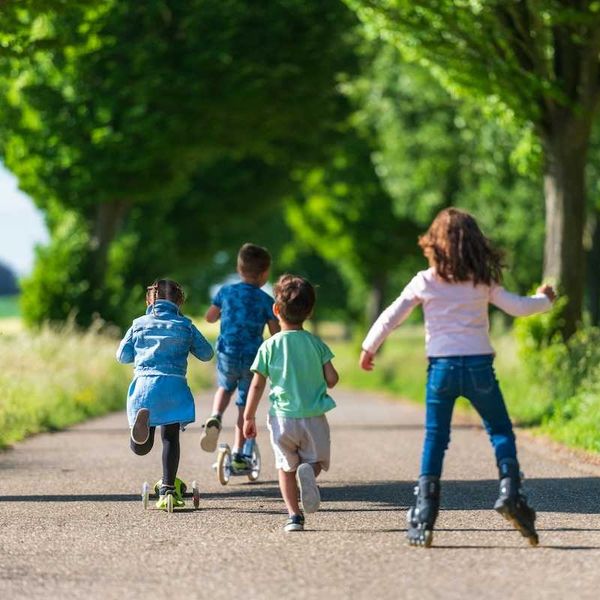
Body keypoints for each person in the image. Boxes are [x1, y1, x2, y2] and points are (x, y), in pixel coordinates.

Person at [360, 208, 556, 547]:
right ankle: (511, 490)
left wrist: (369, 347)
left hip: (442, 370)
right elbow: (519, 307)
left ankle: (425, 510)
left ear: (434, 243)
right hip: (479, 367)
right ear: (475, 244)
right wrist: (545, 300)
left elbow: (393, 315)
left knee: (436, 438)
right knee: (500, 431)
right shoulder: (482, 280)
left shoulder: (425, 280)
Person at [243, 274, 339, 532]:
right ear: (309, 311)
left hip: (282, 418)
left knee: (285, 468)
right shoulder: (316, 343)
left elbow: (257, 384)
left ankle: (294, 516)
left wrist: (248, 416)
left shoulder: (269, 346)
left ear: (276, 310)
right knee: (314, 461)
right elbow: (332, 379)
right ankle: (309, 471)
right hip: (314, 416)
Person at [117, 279, 213, 510]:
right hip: (173, 386)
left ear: (150, 300)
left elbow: (122, 356)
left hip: (144, 387)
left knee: (142, 446)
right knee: (170, 438)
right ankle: (168, 488)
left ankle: (137, 436)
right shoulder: (185, 325)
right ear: (179, 301)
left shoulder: (138, 323)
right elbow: (207, 353)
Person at [200, 243, 279, 471]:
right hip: (253, 357)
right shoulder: (266, 301)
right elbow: (275, 334)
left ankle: (215, 416)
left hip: (228, 352)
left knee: (224, 387)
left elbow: (210, 317)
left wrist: (225, 313)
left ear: (239, 268)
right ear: (264, 274)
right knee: (245, 405)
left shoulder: (225, 292)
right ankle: (238, 454)